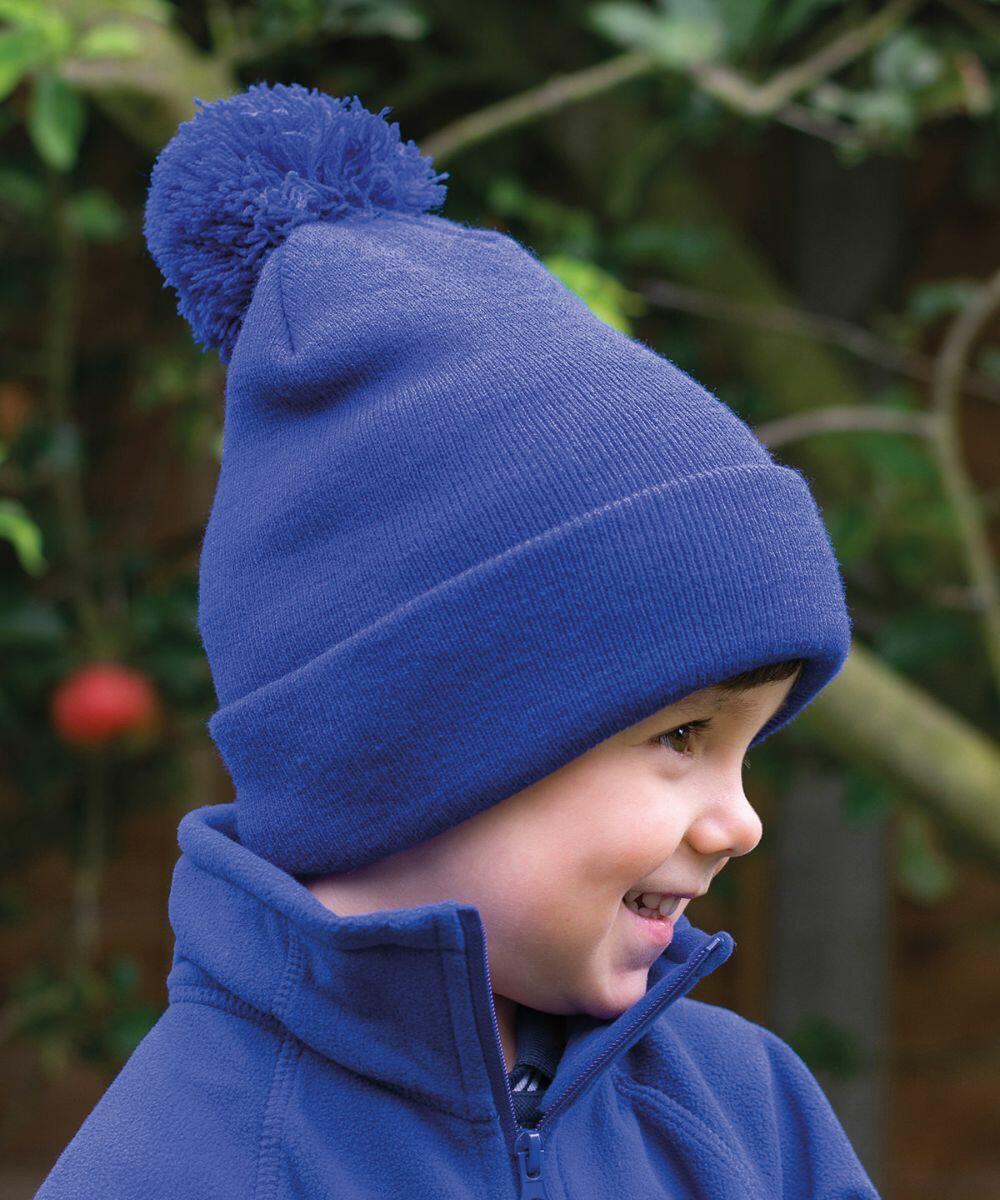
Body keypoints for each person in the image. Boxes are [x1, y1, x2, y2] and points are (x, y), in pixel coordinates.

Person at [34, 83, 881, 1199]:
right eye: (682, 733)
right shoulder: (193, 1165)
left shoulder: (744, 1116)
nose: (740, 822)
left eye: (746, 747)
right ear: (420, 741)